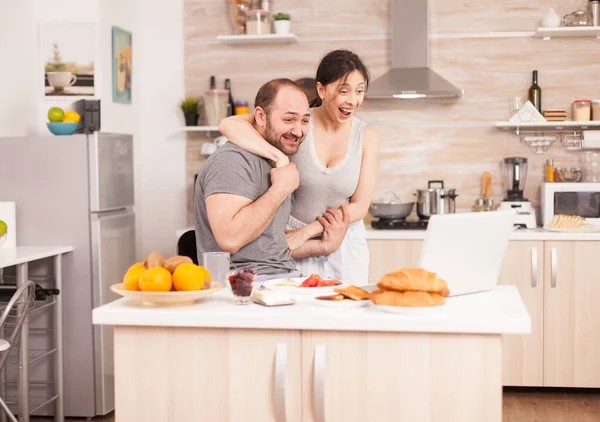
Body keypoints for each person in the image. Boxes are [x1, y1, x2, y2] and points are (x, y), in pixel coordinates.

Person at [218, 49, 379, 285]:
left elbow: (360, 206)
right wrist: (278, 157)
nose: (352, 100)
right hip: (293, 242)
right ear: (321, 90)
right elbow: (228, 125)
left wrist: (308, 231)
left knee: (346, 314)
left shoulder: (367, 135)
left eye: (359, 91)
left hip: (342, 241)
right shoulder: (298, 123)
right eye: (343, 91)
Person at [194, 78, 350, 281]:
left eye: (304, 121)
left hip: (280, 278)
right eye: (288, 120)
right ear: (260, 116)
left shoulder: (273, 161)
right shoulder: (233, 160)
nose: (298, 131)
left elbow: (267, 248)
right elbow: (230, 239)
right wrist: (279, 190)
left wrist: (323, 246)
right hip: (243, 284)